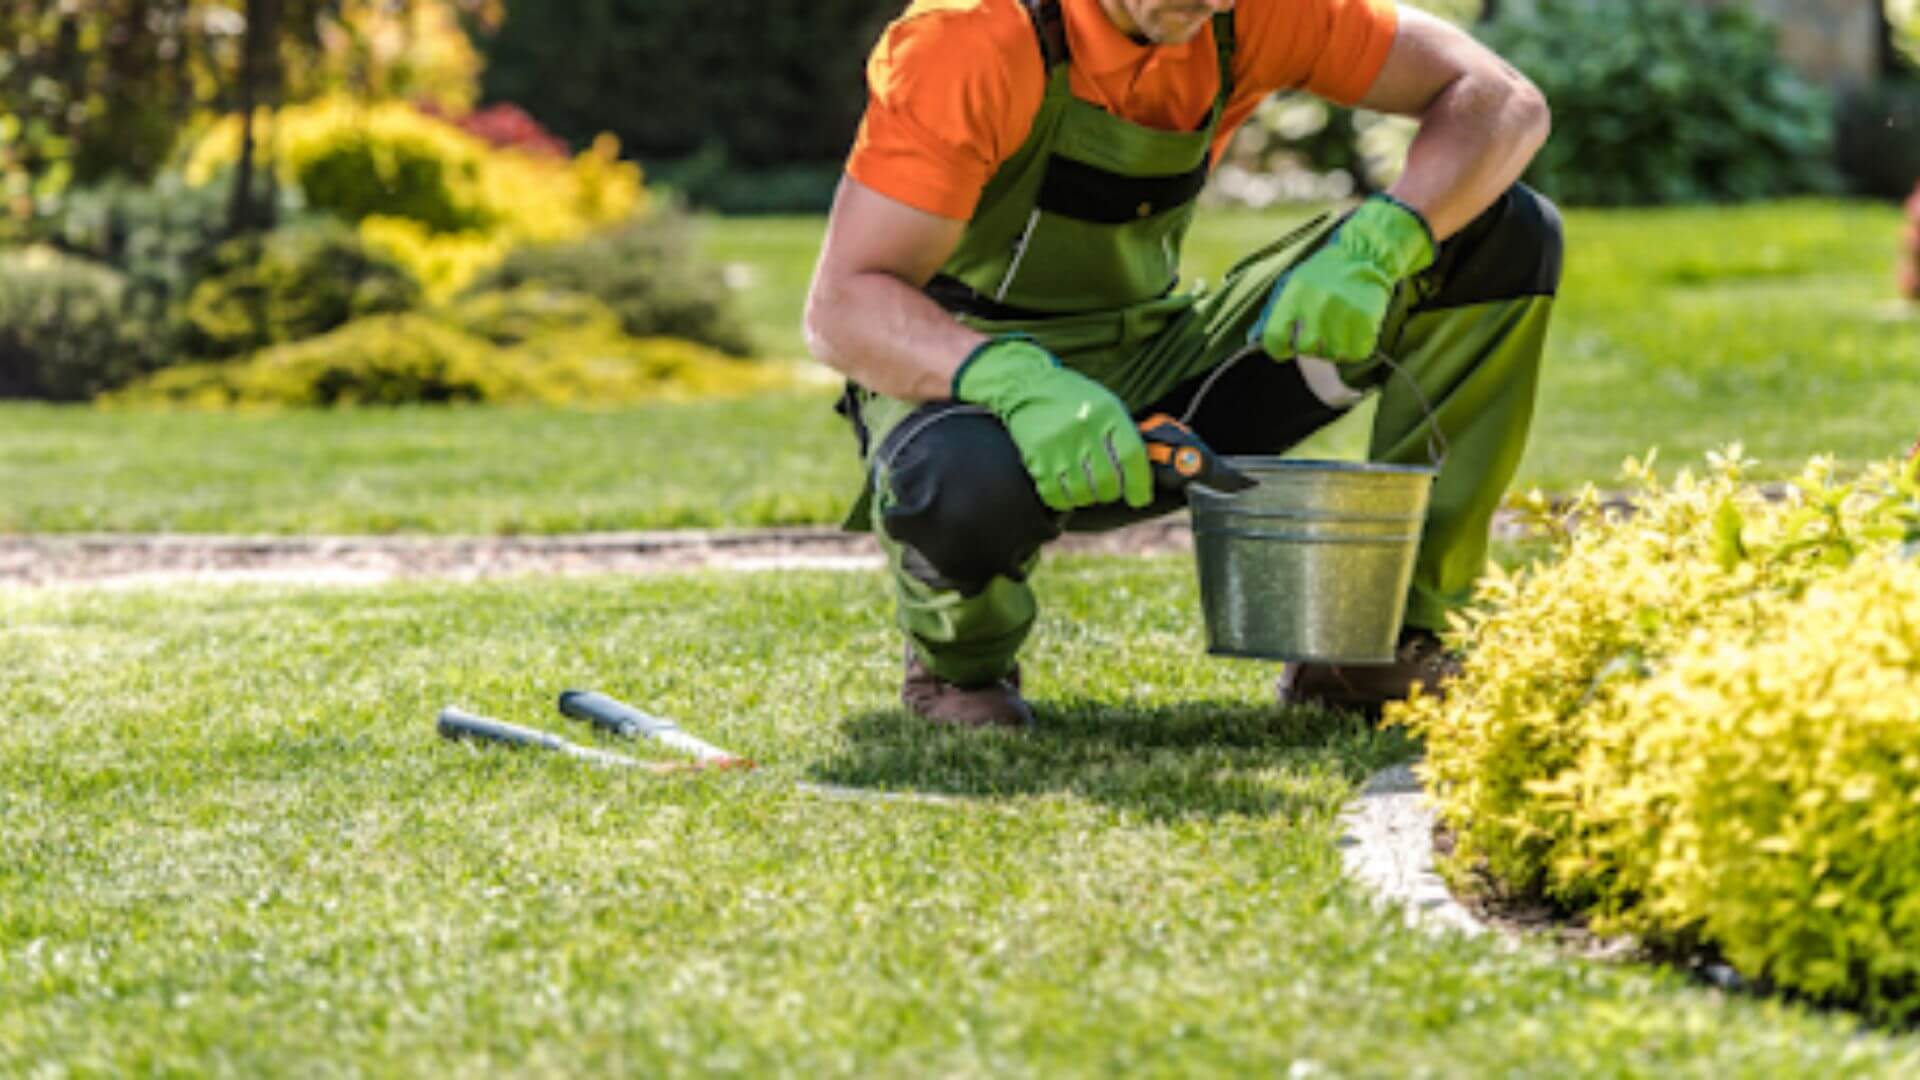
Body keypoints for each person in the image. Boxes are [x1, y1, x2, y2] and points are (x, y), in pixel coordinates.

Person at [804, 0, 1560, 728]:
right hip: (967, 392)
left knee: (1502, 230)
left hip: (1160, 367)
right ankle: (960, 665)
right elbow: (844, 305)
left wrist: (1384, 242)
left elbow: (1502, 98)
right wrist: (1016, 381)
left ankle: (1388, 639)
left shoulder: (1245, 12)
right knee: (957, 482)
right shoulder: (967, 41)